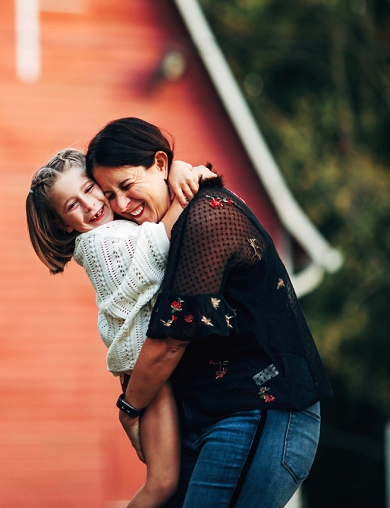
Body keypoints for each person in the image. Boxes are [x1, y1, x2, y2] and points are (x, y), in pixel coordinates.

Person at [85, 118, 331, 508]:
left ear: (160, 164)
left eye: (127, 186)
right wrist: (177, 170)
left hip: (259, 413)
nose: (120, 205)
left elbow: (170, 341)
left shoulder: (208, 216)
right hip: (207, 418)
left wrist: (130, 408)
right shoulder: (154, 228)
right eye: (109, 194)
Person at [25, 148, 212, 508]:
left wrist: (176, 173)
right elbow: (160, 246)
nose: (89, 205)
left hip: (153, 365)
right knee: (162, 482)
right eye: (71, 206)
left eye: (90, 189)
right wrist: (188, 180)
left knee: (177, 476)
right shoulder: (99, 244)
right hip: (148, 373)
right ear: (65, 224)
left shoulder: (119, 226)